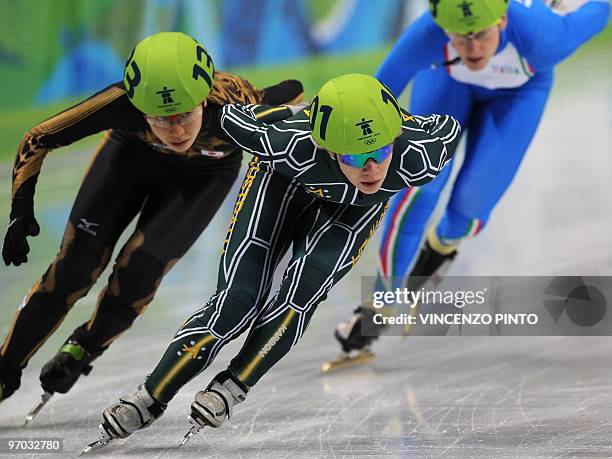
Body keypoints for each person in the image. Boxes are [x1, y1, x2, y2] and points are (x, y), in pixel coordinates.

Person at [81, 73, 461, 453]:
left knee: (306, 285)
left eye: (379, 152)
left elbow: (450, 126)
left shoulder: (419, 156)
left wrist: (397, 129)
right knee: (238, 299)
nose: (372, 170)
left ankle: (235, 385)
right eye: (355, 157)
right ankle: (150, 395)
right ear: (329, 150)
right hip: (281, 181)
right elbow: (224, 116)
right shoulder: (288, 143)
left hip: (352, 211)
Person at [0, 31, 304, 404]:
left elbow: (293, 92)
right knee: (75, 267)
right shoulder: (122, 103)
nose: (175, 131)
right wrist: (20, 210)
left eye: (184, 116)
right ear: (139, 106)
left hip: (205, 176)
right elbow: (38, 137)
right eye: (160, 118)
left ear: (203, 99)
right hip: (132, 156)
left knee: (140, 271)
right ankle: (5, 367)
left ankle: (86, 346)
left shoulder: (234, 101)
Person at [329, 0, 610, 365]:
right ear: (444, 29)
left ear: (503, 18)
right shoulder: (427, 34)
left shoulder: (546, 37)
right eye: (461, 37)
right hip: (446, 82)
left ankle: (441, 247)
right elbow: (374, 97)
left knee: (468, 210)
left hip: (518, 94)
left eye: (480, 34)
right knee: (418, 188)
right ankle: (380, 303)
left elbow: (599, 10)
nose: (473, 48)